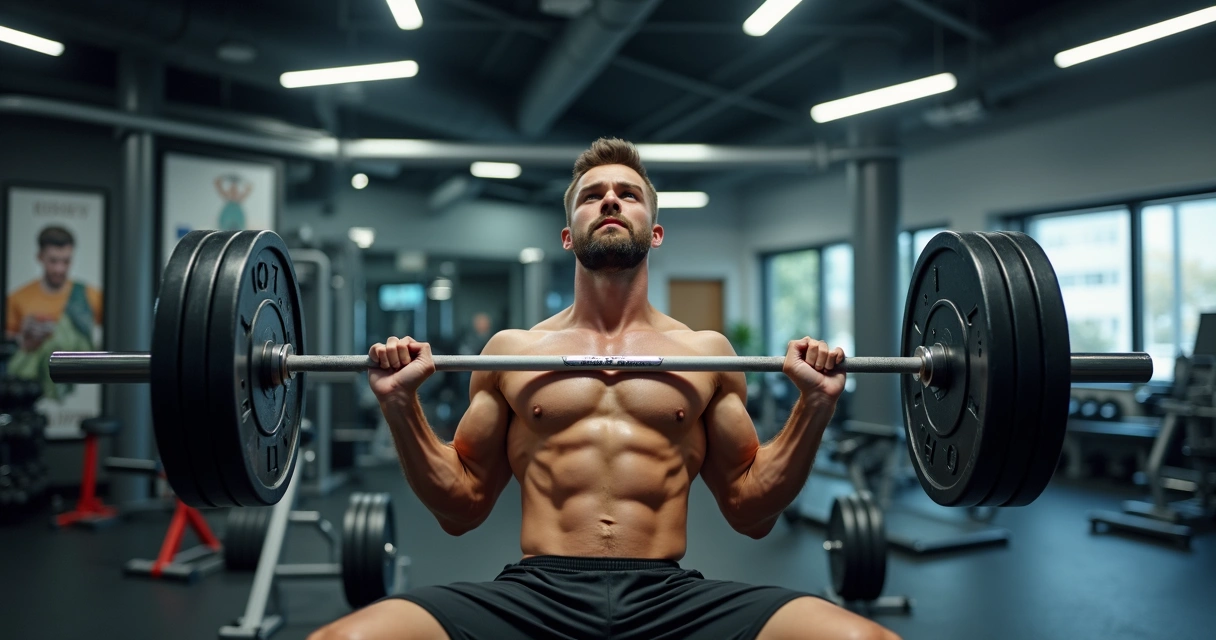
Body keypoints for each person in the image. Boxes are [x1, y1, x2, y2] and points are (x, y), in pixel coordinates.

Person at [311, 139, 899, 640]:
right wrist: (399, 406)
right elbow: (460, 508)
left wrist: (814, 407)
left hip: (668, 597)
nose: (611, 199)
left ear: (656, 231)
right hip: (536, 593)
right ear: (569, 236)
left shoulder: (707, 354)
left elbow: (751, 511)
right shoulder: (511, 352)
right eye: (593, 195)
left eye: (629, 193)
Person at [4, 226, 102, 399]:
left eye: (66, 261)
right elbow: (8, 354)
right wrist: (25, 341)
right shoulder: (17, 299)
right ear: (40, 257)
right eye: (53, 261)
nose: (59, 269)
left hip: (81, 392)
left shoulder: (91, 296)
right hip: (31, 391)